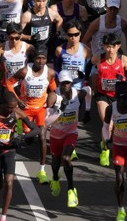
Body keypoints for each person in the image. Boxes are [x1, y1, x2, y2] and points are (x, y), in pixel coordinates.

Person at [0, 92, 40, 221]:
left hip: (9, 151)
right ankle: (0, 183)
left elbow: (36, 129)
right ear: (2, 104)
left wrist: (22, 137)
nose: (11, 110)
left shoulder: (17, 113)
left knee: (9, 183)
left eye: (14, 107)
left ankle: (3, 216)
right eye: (9, 107)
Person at [4, 46, 57, 184]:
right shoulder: (24, 71)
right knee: (29, 139)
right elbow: (8, 83)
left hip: (40, 109)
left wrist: (54, 98)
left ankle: (42, 171)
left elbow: (54, 89)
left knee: (42, 136)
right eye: (38, 58)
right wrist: (17, 99)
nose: (40, 61)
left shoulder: (50, 72)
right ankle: (23, 130)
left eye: (43, 58)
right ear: (33, 59)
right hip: (25, 109)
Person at [45, 70, 92, 208]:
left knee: (66, 159)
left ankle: (71, 190)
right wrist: (60, 110)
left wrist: (88, 110)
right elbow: (46, 121)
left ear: (71, 82)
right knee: (55, 163)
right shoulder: (54, 96)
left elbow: (89, 90)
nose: (66, 85)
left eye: (68, 82)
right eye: (63, 82)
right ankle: (54, 179)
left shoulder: (78, 94)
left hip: (71, 132)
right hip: (56, 135)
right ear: (59, 82)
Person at [91, 32, 127, 167]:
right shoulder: (98, 58)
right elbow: (89, 70)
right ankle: (105, 151)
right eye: (108, 46)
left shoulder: (124, 60)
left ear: (118, 46)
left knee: (116, 127)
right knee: (107, 124)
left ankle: (106, 141)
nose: (110, 50)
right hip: (102, 96)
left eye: (113, 46)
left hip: (118, 97)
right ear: (103, 46)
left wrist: (124, 80)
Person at [102, 81, 127, 221]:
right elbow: (105, 127)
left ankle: (126, 181)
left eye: (125, 99)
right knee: (119, 178)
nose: (123, 102)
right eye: (120, 99)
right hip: (118, 146)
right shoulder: (111, 109)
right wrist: (107, 140)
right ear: (116, 98)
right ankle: (120, 209)